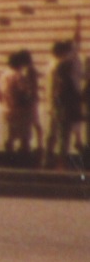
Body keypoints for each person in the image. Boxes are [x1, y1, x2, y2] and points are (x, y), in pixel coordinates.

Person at [50, 38, 86, 166]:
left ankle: (58, 160)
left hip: (61, 106)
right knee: (63, 135)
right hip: (65, 107)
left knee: (61, 135)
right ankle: (61, 162)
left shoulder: (59, 69)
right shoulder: (66, 78)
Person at [1, 49, 41, 160]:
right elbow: (23, 92)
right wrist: (30, 101)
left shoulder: (3, 75)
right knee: (24, 136)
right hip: (20, 110)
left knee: (9, 135)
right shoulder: (18, 76)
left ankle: (8, 157)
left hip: (7, 108)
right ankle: (23, 159)